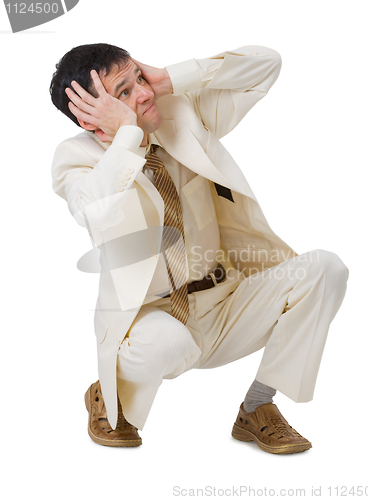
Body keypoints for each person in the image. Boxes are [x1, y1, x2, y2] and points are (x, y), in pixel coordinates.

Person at [50, 43, 349, 454]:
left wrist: (173, 77)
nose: (143, 94)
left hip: (226, 304)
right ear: (90, 116)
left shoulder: (180, 115)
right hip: (155, 323)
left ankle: (257, 408)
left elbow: (266, 66)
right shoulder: (76, 158)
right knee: (166, 340)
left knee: (325, 269)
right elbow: (95, 216)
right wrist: (127, 137)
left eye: (138, 78)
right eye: (123, 92)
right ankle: (110, 392)